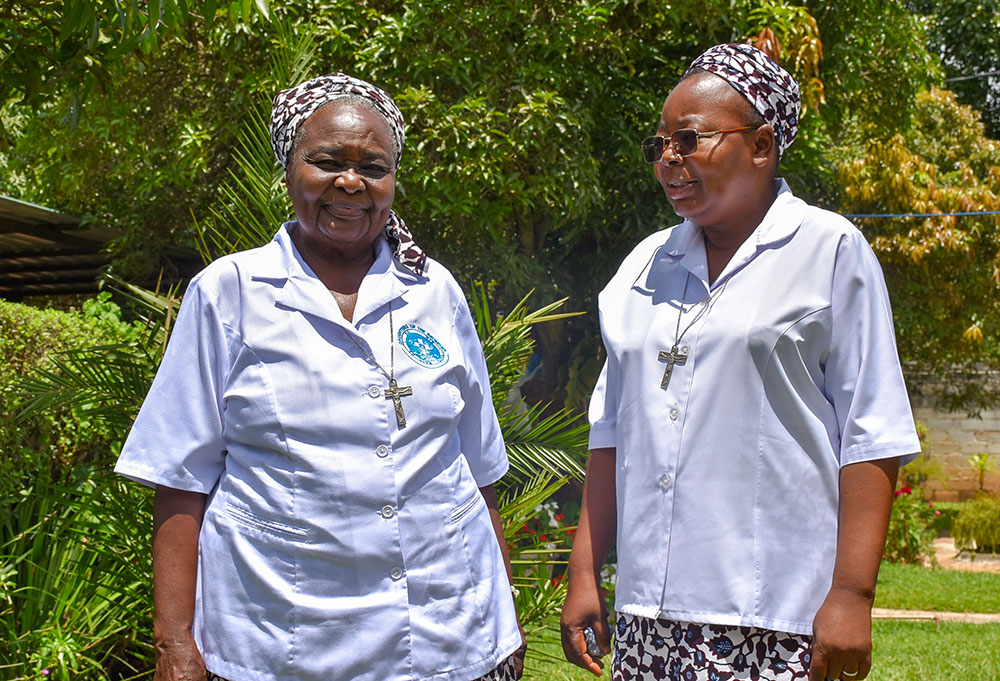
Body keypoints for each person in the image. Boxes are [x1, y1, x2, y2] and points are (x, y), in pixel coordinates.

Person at [115, 73, 524, 681]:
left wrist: (503, 618)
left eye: (374, 167)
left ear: (393, 180)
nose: (351, 182)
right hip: (286, 643)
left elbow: (476, 467)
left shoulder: (434, 289)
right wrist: (174, 644)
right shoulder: (229, 293)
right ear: (289, 170)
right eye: (327, 161)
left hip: (450, 636)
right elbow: (180, 477)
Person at [560, 43, 920, 681]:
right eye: (659, 145)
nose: (669, 159)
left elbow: (872, 430)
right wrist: (585, 571)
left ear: (761, 145)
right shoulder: (643, 266)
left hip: (774, 616)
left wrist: (852, 594)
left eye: (689, 139)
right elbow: (612, 430)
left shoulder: (829, 250)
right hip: (649, 616)